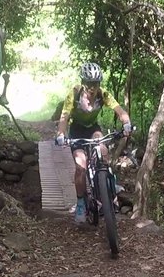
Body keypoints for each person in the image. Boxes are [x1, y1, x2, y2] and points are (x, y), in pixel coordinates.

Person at [55, 62, 132, 222]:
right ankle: (81, 202)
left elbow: (120, 110)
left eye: (96, 83)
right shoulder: (74, 94)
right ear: (83, 83)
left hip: (93, 129)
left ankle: (108, 184)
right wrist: (61, 134)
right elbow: (64, 117)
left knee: (103, 151)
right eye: (89, 83)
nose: (92, 87)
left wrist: (126, 123)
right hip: (76, 130)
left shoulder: (103, 95)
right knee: (81, 165)